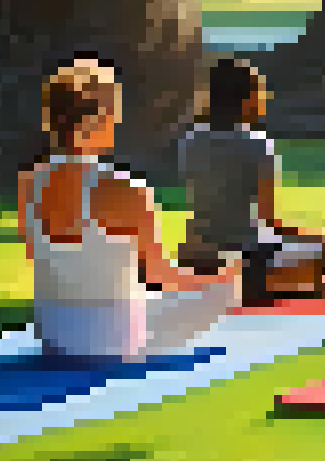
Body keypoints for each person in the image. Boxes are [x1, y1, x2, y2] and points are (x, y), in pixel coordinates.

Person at [20, 57, 240, 361]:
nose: (117, 119)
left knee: (146, 295)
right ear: (98, 118)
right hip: (113, 340)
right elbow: (159, 273)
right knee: (224, 289)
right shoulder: (127, 188)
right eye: (113, 110)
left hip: (54, 334)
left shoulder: (30, 182)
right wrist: (220, 278)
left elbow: (37, 253)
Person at [178, 58, 325, 304]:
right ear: (247, 98)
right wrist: (322, 239)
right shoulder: (257, 144)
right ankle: (278, 281)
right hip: (249, 257)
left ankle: (278, 279)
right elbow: (268, 220)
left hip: (196, 253)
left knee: (323, 251)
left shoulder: (189, 141)